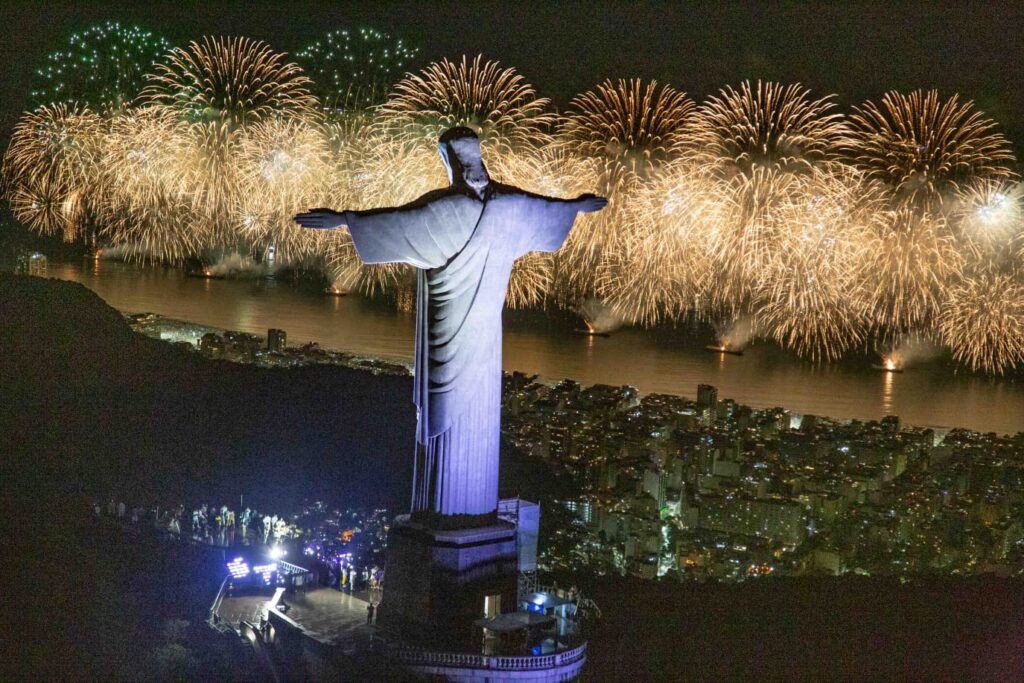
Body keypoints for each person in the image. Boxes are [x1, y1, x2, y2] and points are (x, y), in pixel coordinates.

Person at [295, 127, 606, 518]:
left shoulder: (455, 210)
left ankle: (444, 512)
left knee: (445, 421)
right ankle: (461, 510)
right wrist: (573, 207)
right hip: (482, 340)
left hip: (455, 336)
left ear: (450, 163)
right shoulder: (503, 206)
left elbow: (398, 223)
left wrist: (344, 220)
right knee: (464, 421)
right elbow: (546, 210)